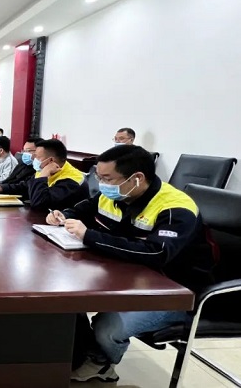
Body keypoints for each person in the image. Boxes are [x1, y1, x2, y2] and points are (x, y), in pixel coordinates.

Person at [45, 145, 213, 383]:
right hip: (128, 276)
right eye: (99, 177)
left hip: (173, 291)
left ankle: (102, 363)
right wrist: (63, 215)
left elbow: (156, 253)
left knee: (109, 328)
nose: (102, 184)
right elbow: (83, 209)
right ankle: (79, 352)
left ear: (137, 178)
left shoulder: (175, 208)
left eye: (107, 179)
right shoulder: (118, 193)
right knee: (67, 296)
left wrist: (89, 236)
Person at [0, 139, 87, 210]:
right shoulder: (46, 168)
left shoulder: (72, 180)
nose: (33, 159)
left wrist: (43, 176)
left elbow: (39, 204)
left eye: (36, 157)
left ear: (51, 161)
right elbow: (25, 186)